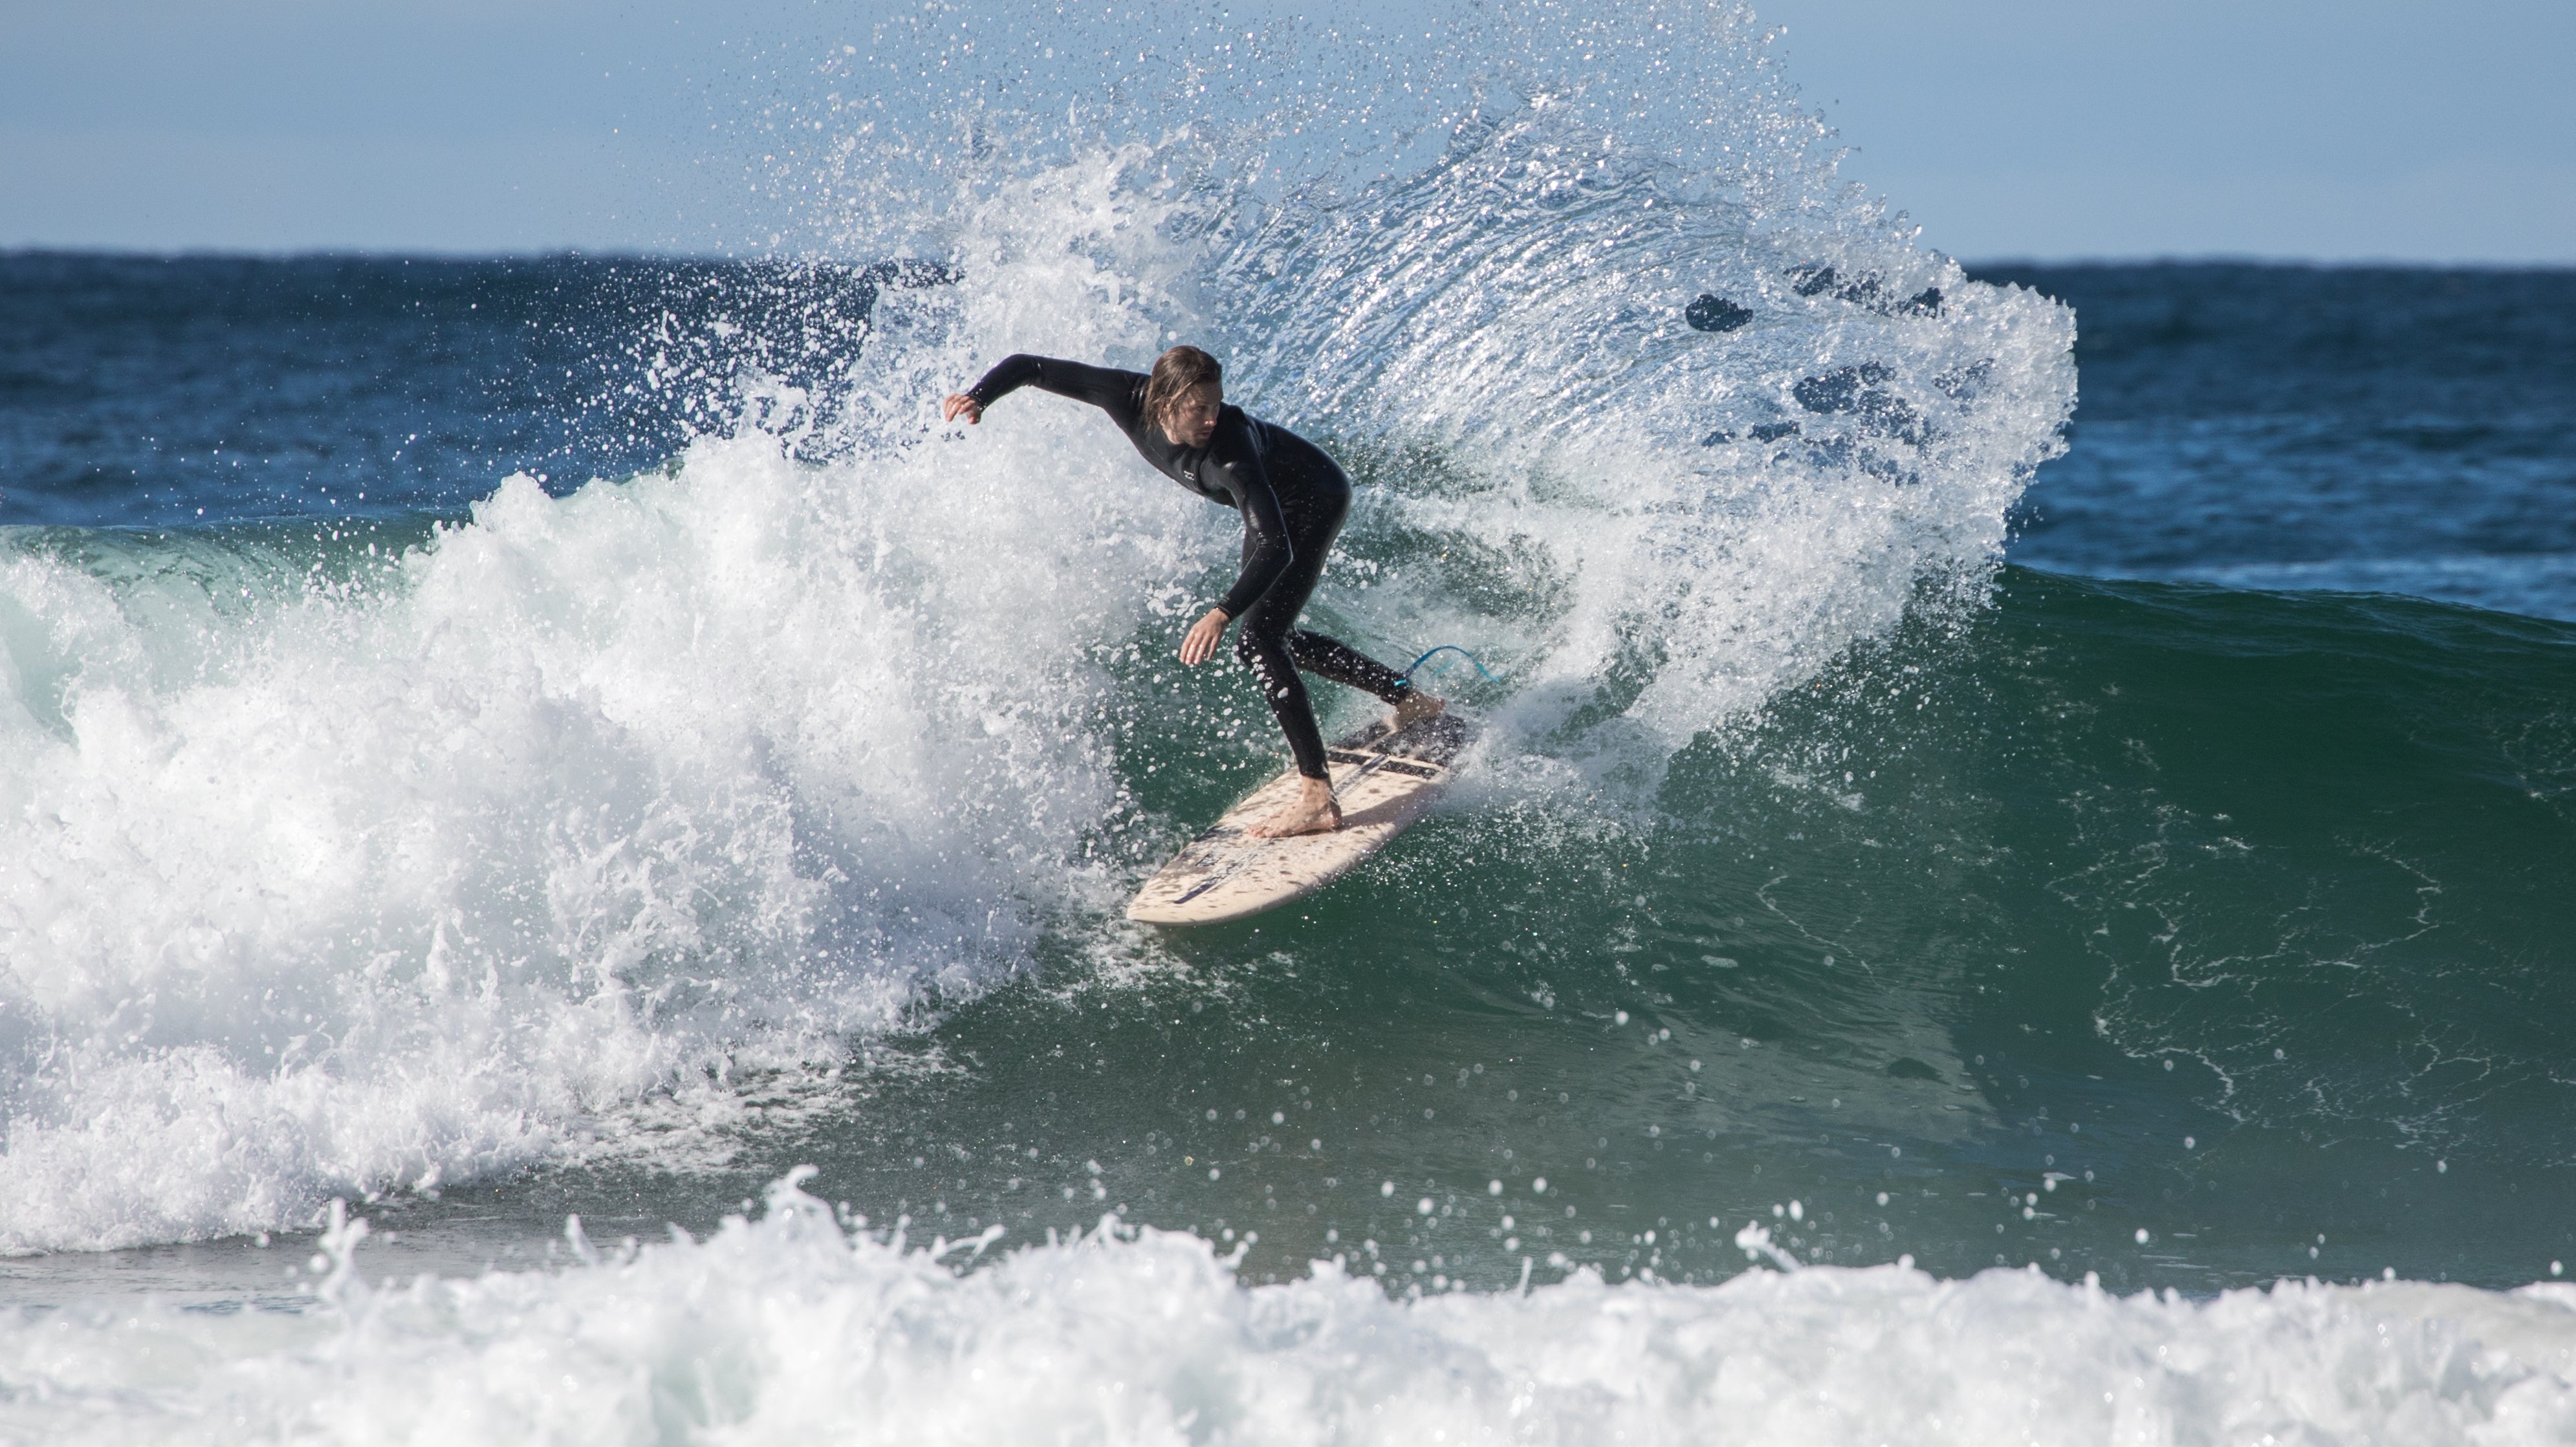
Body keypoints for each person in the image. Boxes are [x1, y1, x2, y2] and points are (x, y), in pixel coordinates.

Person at [942, 345, 1442, 837]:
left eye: (1216, 404)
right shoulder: (1127, 395)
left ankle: (1317, 796)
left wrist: (1222, 612)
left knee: (1259, 639)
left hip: (1313, 499)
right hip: (1277, 512)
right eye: (1197, 408)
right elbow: (1033, 366)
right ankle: (1407, 697)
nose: (1210, 418)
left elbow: (1277, 546)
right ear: (1162, 403)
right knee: (1272, 636)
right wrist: (980, 396)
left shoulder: (1231, 456)